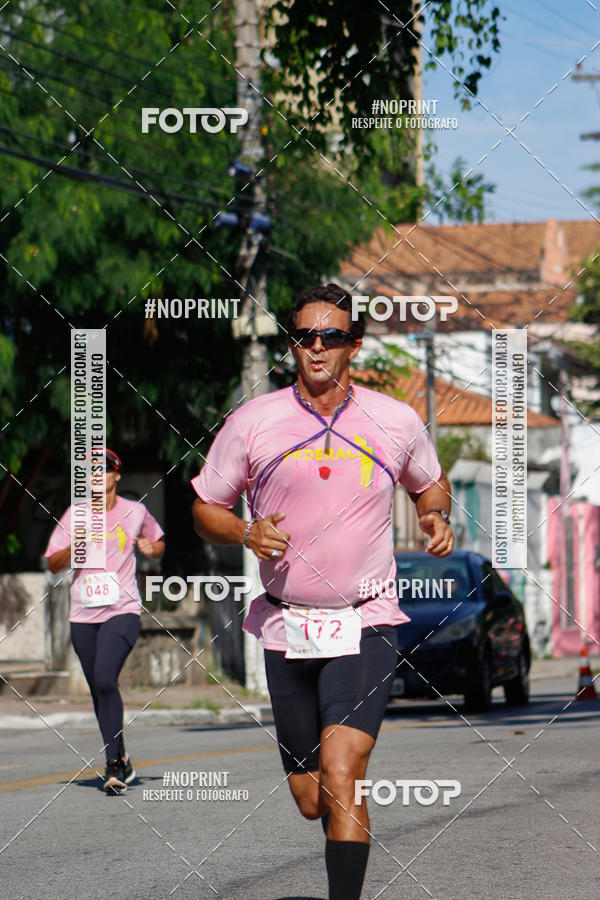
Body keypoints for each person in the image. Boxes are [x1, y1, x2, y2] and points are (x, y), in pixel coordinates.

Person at [192, 283, 454, 899]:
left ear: (353, 346)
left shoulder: (394, 419)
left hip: (366, 620)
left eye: (331, 336)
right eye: (305, 336)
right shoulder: (253, 421)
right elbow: (206, 507)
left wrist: (437, 514)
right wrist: (244, 532)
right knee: (311, 797)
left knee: (344, 773)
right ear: (292, 345)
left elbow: (430, 483)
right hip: (288, 625)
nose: (316, 346)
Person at [45, 448, 165, 794]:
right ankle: (122, 758)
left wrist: (150, 550)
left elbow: (158, 543)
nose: (97, 475)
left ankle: (112, 765)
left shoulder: (135, 511)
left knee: (103, 676)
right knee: (101, 688)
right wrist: (74, 547)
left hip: (122, 610)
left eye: (104, 470)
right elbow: (53, 564)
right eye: (89, 471)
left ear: (116, 476)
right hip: (83, 615)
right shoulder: (74, 515)